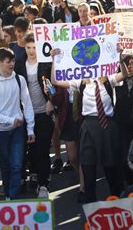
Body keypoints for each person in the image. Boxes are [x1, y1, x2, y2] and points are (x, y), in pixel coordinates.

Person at [51, 48, 128, 202]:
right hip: (89, 124)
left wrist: (120, 58)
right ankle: (89, 197)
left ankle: (117, 197)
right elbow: (55, 81)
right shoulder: (80, 81)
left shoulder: (109, 78)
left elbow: (124, 75)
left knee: (111, 166)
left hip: (107, 124)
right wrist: (54, 60)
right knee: (87, 163)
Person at [0, 48, 35, 200]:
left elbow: (27, 104)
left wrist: (30, 129)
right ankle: (8, 194)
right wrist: (10, 120)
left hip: (18, 130)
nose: (11, 64)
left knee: (17, 165)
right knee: (5, 165)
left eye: (13, 61)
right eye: (8, 61)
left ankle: (13, 198)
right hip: (0, 131)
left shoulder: (20, 80)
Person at [15, 33, 53, 198]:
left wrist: (52, 100)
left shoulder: (45, 63)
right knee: (28, 149)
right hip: (25, 113)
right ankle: (32, 175)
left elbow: (51, 85)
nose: (31, 51)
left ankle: (44, 184)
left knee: (43, 149)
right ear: (24, 47)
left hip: (43, 111)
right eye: (29, 47)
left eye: (34, 47)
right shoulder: (19, 64)